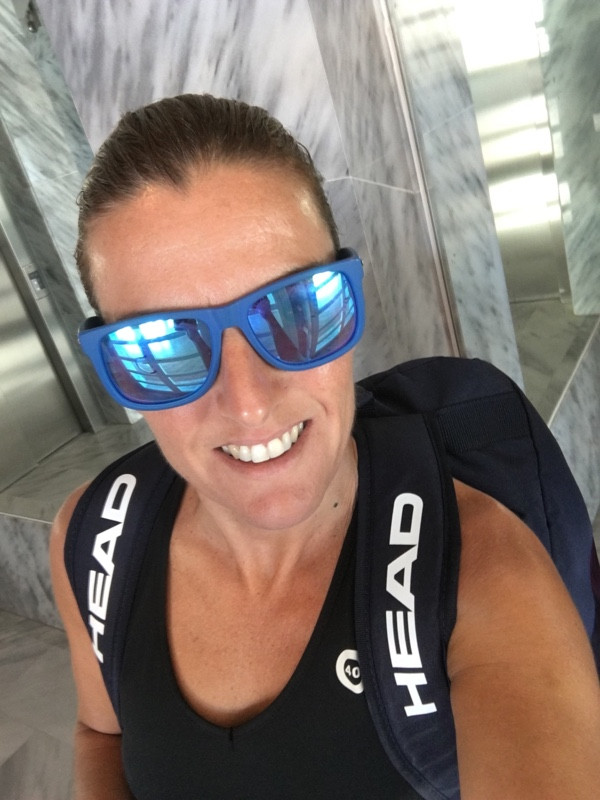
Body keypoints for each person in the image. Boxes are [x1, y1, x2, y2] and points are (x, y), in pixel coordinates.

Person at [50, 93, 600, 799]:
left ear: (349, 297)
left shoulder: (481, 575)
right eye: (159, 347)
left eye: (297, 309)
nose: (249, 402)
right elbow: (101, 734)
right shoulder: (97, 539)